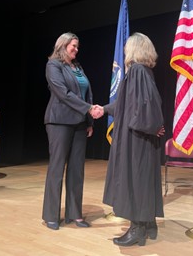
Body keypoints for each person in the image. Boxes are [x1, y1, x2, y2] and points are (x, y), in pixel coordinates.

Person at [91, 32, 165, 246]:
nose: (124, 51)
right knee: (144, 179)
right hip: (143, 136)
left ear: (134, 49)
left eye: (127, 48)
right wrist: (103, 109)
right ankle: (149, 223)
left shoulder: (137, 72)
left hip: (136, 138)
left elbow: (143, 108)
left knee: (135, 179)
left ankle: (137, 229)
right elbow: (125, 104)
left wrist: (151, 126)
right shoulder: (145, 72)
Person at [42, 32, 96, 230]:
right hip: (59, 122)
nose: (76, 49)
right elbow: (63, 94)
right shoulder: (53, 65)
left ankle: (75, 214)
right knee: (57, 168)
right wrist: (88, 109)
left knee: (76, 170)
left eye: (78, 46)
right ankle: (51, 215)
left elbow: (86, 94)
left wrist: (89, 120)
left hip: (80, 123)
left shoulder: (78, 67)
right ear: (63, 45)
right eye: (73, 45)